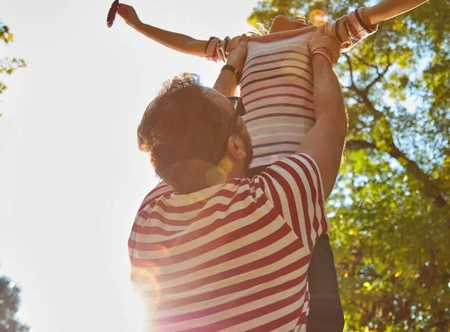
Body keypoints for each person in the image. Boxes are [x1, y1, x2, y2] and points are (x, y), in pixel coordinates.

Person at [126, 0, 450, 331]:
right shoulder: (243, 47)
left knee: (323, 308)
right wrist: (140, 25)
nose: (292, 13)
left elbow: (381, 9)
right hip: (244, 179)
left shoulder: (320, 34)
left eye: (299, 14)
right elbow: (193, 52)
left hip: (295, 188)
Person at [130, 27, 346, 331]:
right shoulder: (276, 205)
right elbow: (330, 123)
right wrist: (322, 54)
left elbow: (187, 142)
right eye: (237, 108)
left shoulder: (148, 225)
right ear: (235, 146)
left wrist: (233, 64)